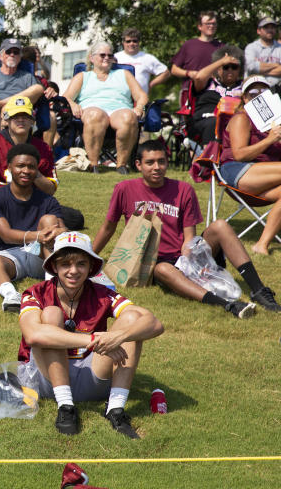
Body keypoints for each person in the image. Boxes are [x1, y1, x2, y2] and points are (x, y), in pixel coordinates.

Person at [92, 137, 279, 318]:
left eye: (161, 162)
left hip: (185, 255)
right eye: (150, 162)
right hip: (154, 262)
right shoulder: (124, 189)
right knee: (163, 269)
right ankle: (227, 305)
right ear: (138, 165)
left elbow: (189, 235)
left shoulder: (183, 189)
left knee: (220, 225)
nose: (156, 167)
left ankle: (258, 290)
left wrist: (191, 262)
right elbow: (108, 228)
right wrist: (89, 257)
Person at [18, 232, 164, 438]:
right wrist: (94, 340)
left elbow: (154, 323)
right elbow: (33, 335)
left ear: (90, 268)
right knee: (51, 313)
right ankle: (65, 407)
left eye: (81, 264)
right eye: (65, 264)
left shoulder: (103, 293)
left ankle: (115, 409)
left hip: (93, 376)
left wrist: (119, 337)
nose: (73, 271)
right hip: (48, 379)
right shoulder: (35, 293)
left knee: (132, 320)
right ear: (55, 267)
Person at [0, 143, 66, 312]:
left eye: (31, 167)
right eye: (20, 166)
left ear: (37, 171)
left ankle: (52, 286)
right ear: (9, 168)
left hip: (40, 252)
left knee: (50, 219)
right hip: (6, 253)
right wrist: (39, 236)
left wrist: (59, 231)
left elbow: (64, 231)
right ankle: (10, 295)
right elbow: (6, 235)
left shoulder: (48, 200)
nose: (26, 171)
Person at [209, 76, 281, 256]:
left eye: (263, 91)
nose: (259, 96)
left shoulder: (276, 122)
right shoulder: (242, 118)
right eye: (253, 93)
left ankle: (261, 245)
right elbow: (240, 154)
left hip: (265, 179)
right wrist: (271, 139)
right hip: (238, 172)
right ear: (245, 99)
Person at [63, 41, 148, 173]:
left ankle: (121, 165)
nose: (107, 58)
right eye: (102, 55)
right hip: (92, 111)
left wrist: (140, 107)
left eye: (110, 55)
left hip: (119, 111)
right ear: (92, 58)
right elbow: (66, 97)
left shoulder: (124, 74)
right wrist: (73, 104)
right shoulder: (83, 76)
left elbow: (142, 96)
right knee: (95, 114)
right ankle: (93, 164)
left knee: (129, 117)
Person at [0, 96, 58, 199]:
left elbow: (50, 190)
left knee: (70, 215)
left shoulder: (43, 148)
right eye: (15, 116)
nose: (21, 120)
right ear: (7, 119)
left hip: (31, 204)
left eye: (25, 116)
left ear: (32, 120)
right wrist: (6, 202)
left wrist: (34, 173)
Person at [188, 45, 243, 145]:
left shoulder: (244, 87)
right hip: (205, 124)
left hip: (234, 123)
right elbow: (198, 78)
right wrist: (221, 61)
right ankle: (209, 157)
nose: (230, 70)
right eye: (226, 67)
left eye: (234, 67)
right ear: (218, 69)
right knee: (214, 123)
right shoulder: (208, 83)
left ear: (239, 70)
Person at [171, 11, 223, 99]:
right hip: (190, 92)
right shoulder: (189, 45)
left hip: (214, 92)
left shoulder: (221, 47)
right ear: (199, 26)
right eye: (208, 23)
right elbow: (174, 69)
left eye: (214, 24)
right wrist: (188, 73)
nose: (211, 26)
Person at [113, 28, 171, 95]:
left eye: (134, 41)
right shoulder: (115, 57)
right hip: (119, 99)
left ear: (139, 42)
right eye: (128, 41)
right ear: (123, 42)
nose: (131, 43)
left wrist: (151, 84)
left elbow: (166, 73)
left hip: (140, 100)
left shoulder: (147, 58)